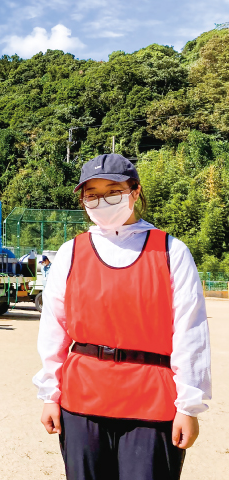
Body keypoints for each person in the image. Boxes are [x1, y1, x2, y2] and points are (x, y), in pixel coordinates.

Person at [33, 154, 211, 480]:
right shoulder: (71, 253)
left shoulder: (171, 252)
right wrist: (50, 395)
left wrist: (188, 406)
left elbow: (190, 332)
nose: (102, 202)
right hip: (83, 399)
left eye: (112, 191)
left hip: (151, 401)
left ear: (135, 192)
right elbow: (54, 329)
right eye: (92, 194)